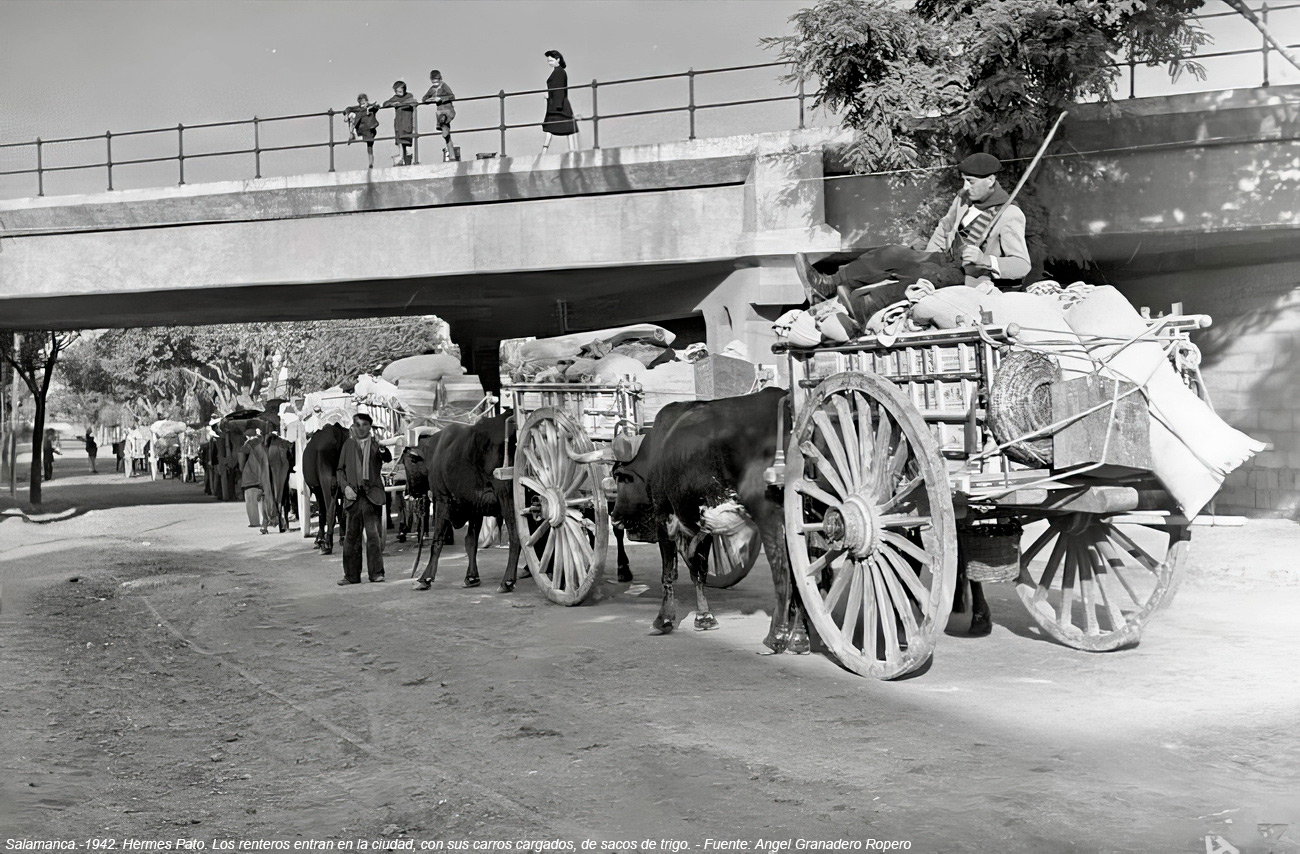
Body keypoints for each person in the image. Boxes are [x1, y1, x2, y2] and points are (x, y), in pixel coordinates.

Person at [794, 152, 1032, 317]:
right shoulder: (964, 198)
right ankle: (828, 285)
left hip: (972, 278)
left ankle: (862, 309)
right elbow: (945, 228)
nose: (965, 187)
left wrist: (985, 260)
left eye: (970, 182)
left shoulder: (1010, 214)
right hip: (946, 260)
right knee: (891, 253)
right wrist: (928, 257)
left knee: (925, 276)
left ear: (990, 180)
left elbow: (1022, 265)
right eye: (964, 181)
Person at [335, 413, 391, 585]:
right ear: (353, 426)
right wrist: (345, 488)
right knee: (351, 537)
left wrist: (383, 449)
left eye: (364, 425)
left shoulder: (376, 445)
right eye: (357, 425)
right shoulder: (348, 445)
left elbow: (386, 458)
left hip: (371, 497)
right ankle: (351, 576)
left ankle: (376, 573)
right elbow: (340, 470)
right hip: (353, 497)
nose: (360, 428)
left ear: (369, 427)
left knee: (373, 537)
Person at [541, 50, 578, 153]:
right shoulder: (558, 71)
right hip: (557, 103)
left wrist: (556, 105)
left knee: (559, 127)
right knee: (562, 127)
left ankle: (545, 151)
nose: (549, 63)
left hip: (558, 104)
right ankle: (571, 150)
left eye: (551, 61)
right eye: (548, 61)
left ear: (558, 59)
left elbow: (559, 89)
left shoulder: (559, 72)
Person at [237, 429, 272, 534]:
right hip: (266, 478)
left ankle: (255, 522)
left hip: (251, 478)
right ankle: (267, 521)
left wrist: (243, 469)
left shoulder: (250, 443)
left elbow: (241, 454)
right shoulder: (272, 440)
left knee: (252, 503)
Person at [421, 70, 457, 161]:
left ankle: (443, 123)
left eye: (437, 81)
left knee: (443, 121)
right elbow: (424, 98)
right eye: (433, 82)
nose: (435, 83)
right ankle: (452, 155)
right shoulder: (432, 89)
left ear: (440, 79)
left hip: (447, 110)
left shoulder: (444, 86)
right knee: (446, 135)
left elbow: (452, 96)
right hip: (440, 111)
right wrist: (430, 100)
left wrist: (441, 99)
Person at [383, 81, 419, 166]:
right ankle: (401, 159)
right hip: (398, 123)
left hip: (407, 122)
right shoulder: (395, 98)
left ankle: (407, 161)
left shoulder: (409, 96)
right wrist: (393, 104)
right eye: (398, 91)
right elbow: (385, 104)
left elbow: (414, 102)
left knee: (406, 142)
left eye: (401, 90)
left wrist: (402, 104)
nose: (400, 92)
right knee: (400, 142)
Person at [344, 93, 380, 169]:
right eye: (360, 101)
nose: (362, 103)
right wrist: (347, 113)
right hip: (361, 129)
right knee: (352, 115)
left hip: (370, 129)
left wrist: (371, 107)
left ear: (366, 100)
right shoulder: (358, 108)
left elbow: (376, 107)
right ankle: (352, 134)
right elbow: (348, 108)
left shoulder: (371, 106)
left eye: (364, 101)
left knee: (369, 145)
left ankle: (371, 163)